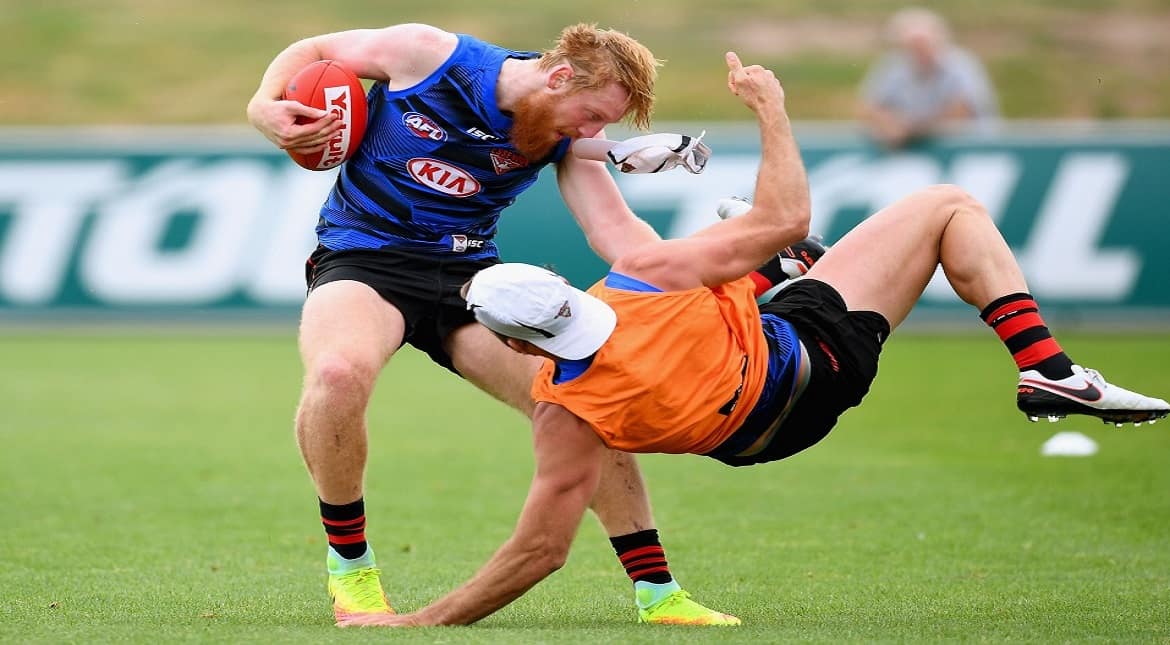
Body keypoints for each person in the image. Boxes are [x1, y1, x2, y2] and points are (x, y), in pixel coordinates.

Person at [345, 51, 1169, 627]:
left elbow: (538, 551)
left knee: (764, 258)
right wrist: (771, 110)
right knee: (942, 205)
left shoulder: (564, 405)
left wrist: (422, 619)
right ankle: (1048, 368)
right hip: (806, 356)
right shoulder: (647, 277)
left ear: (522, 348)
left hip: (765, 430)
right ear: (564, 290)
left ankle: (782, 267)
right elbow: (787, 209)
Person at [245, 22, 733, 626]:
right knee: (339, 375)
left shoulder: (554, 134)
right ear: (557, 77)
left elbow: (620, 238)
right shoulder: (429, 55)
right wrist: (264, 104)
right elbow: (315, 49)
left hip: (470, 276)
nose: (592, 137)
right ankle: (352, 569)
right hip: (364, 255)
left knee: (585, 401)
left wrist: (718, 269)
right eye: (590, 116)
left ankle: (658, 592)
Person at [858, 7, 999, 150]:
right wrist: (888, 123)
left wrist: (911, 129)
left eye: (923, 43)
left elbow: (963, 110)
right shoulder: (893, 66)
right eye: (911, 45)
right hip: (917, 154)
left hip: (972, 150)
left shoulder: (962, 64)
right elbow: (868, 107)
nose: (918, 50)